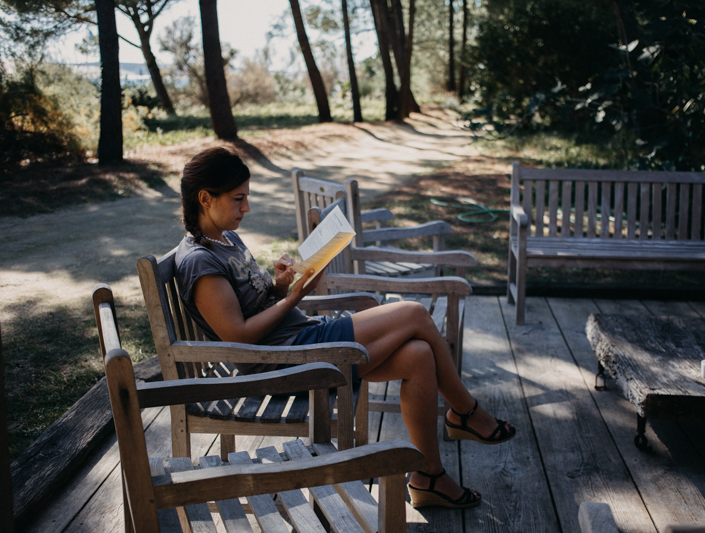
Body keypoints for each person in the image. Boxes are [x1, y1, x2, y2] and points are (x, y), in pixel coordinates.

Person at [175, 147, 516, 509]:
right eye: (238, 199)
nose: (246, 208)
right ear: (205, 199)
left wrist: (278, 285)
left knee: (418, 356)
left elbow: (250, 303)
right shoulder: (199, 262)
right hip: (285, 361)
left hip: (301, 339)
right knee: (415, 313)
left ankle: (428, 476)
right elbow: (238, 336)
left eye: (247, 198)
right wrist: (293, 298)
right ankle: (465, 412)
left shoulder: (224, 239)